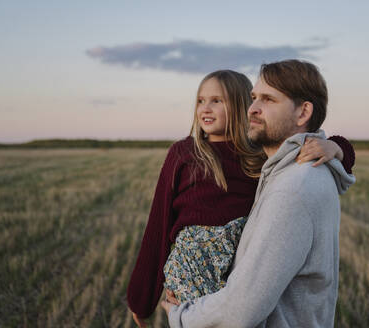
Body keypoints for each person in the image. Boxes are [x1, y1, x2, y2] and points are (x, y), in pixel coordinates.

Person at [128, 68, 355, 327]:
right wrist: (141, 299)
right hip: (193, 262)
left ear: (241, 106)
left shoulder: (260, 153)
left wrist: (336, 147)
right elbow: (159, 224)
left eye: (217, 101)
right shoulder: (184, 153)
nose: (206, 108)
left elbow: (319, 148)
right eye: (201, 101)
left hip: (239, 263)